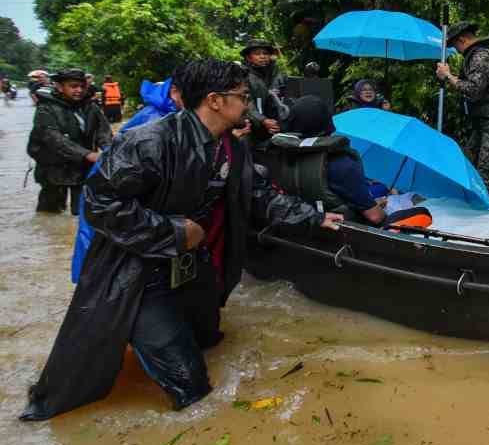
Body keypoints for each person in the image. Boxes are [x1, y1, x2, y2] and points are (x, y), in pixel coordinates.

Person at [20, 59, 343, 421]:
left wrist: (314, 218)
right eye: (242, 97)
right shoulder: (148, 141)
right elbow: (99, 202)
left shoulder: (231, 148)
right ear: (215, 101)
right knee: (193, 390)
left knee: (209, 339)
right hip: (137, 275)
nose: (248, 105)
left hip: (188, 265)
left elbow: (260, 196)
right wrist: (172, 231)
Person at [70, 66, 188, 283]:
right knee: (103, 260)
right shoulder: (156, 119)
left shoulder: (173, 115)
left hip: (110, 184)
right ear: (175, 92)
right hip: (108, 189)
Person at [265, 95, 387, 225]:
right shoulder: (341, 162)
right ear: (328, 122)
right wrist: (378, 207)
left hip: (296, 226)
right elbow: (375, 217)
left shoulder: (279, 155)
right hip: (341, 233)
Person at [435, 21, 489, 205]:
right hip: (486, 121)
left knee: (487, 171)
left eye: (455, 45)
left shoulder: (481, 55)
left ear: (462, 39)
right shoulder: (484, 52)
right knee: (468, 158)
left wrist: (448, 76)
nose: (456, 50)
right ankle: (474, 200)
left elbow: (473, 90)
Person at [26, 68, 112, 215]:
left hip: (82, 167)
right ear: (60, 87)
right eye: (73, 86)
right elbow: (55, 140)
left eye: (82, 86)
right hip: (53, 168)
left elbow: (103, 133)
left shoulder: (91, 107)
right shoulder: (45, 109)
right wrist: (88, 154)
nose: (79, 90)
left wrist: (110, 151)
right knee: (50, 215)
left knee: (83, 212)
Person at [242, 38, 288, 148]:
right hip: (252, 128)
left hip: (276, 126)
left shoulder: (277, 74)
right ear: (248, 57)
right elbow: (246, 103)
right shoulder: (243, 76)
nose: (262, 56)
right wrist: (263, 120)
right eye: (257, 54)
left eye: (266, 53)